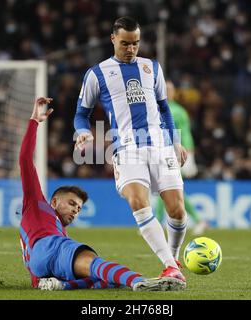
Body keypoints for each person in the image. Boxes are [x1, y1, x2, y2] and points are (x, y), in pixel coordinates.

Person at [19, 97, 185, 292]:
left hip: (39, 268)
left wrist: (40, 281)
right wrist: (34, 122)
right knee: (97, 265)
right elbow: (25, 160)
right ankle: (139, 281)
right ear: (54, 201)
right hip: (50, 247)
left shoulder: (56, 229)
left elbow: (36, 265)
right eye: (72, 203)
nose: (75, 211)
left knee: (103, 280)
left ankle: (62, 285)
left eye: (79, 208)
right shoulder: (36, 203)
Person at [73, 16, 188, 282]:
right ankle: (170, 266)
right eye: (125, 43)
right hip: (127, 148)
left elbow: (164, 108)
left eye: (135, 43)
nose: (131, 49)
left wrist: (176, 141)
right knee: (138, 202)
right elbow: (81, 113)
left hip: (160, 146)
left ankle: (172, 260)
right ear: (113, 39)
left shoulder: (152, 68)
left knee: (178, 211)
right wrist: (82, 133)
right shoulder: (97, 74)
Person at [155, 80, 209, 235]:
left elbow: (185, 133)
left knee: (164, 187)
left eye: (170, 89)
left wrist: (189, 154)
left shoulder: (177, 111)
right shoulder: (156, 109)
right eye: (165, 89)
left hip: (175, 153)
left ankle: (158, 222)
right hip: (161, 152)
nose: (167, 91)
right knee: (169, 189)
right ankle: (199, 220)